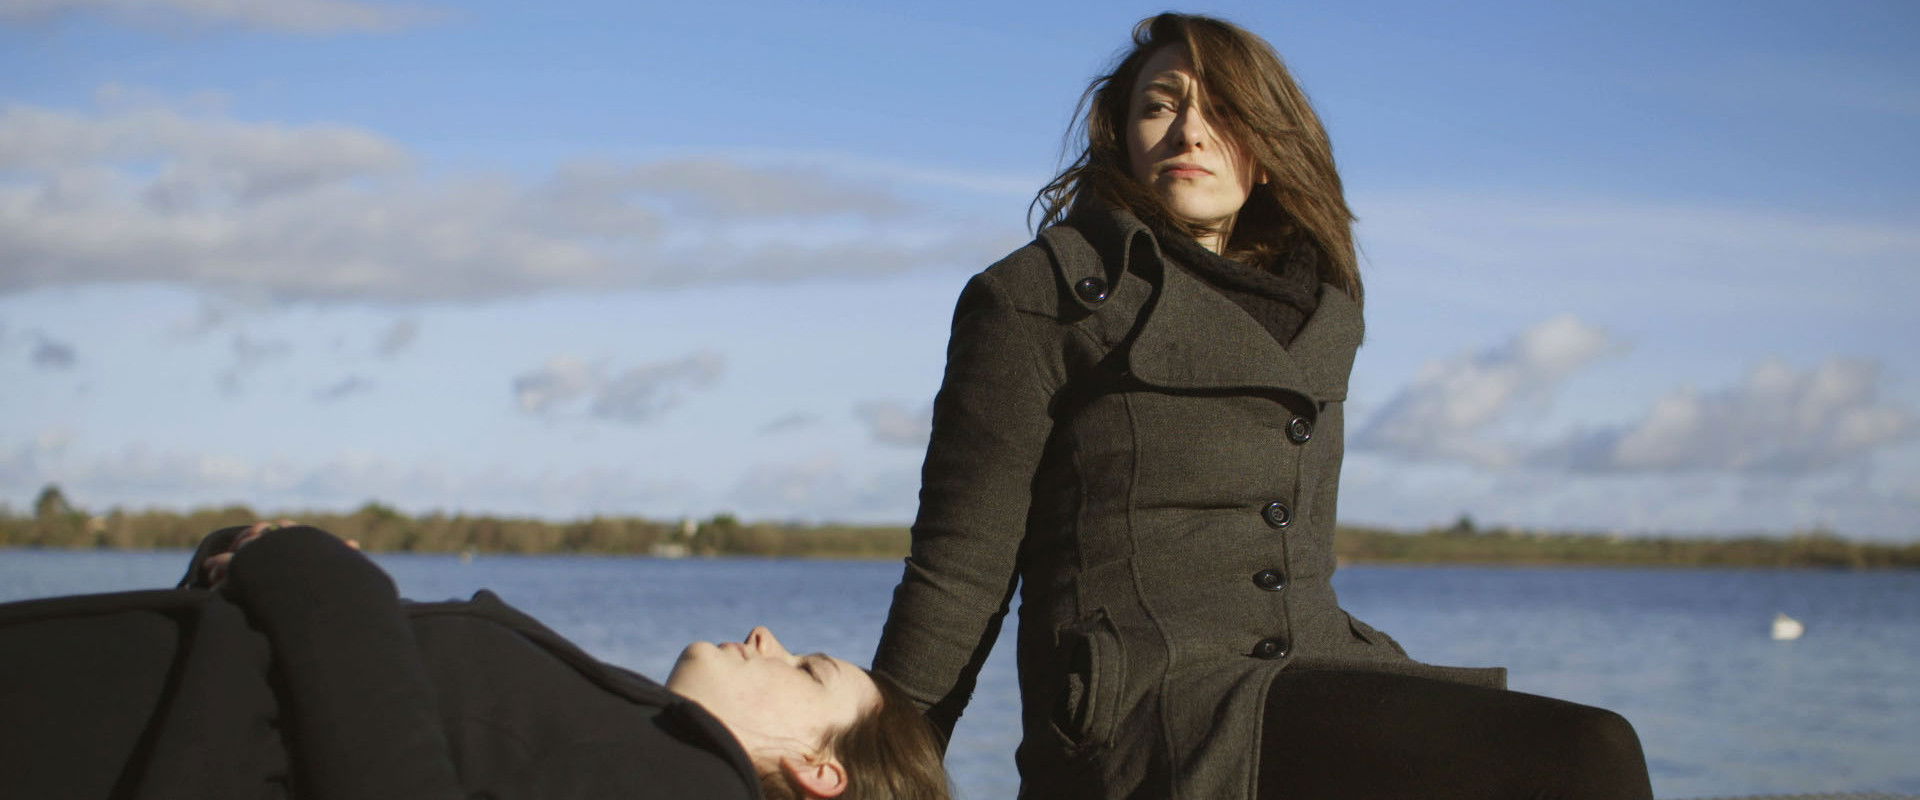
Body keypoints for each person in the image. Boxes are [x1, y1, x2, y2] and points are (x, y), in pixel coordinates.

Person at [872, 12, 1653, 800]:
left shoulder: (1323, 308)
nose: (1190, 131)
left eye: (1224, 111)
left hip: (1317, 669)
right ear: (1122, 140)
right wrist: (878, 759)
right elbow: (960, 569)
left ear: (1270, 153)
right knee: (1585, 750)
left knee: (1562, 752)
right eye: (1160, 105)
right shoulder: (1038, 295)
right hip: (1153, 701)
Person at [0, 522, 949, 800]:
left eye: (806, 669)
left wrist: (310, 569)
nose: (763, 638)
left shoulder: (694, 788)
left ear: (821, 772)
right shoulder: (653, 746)